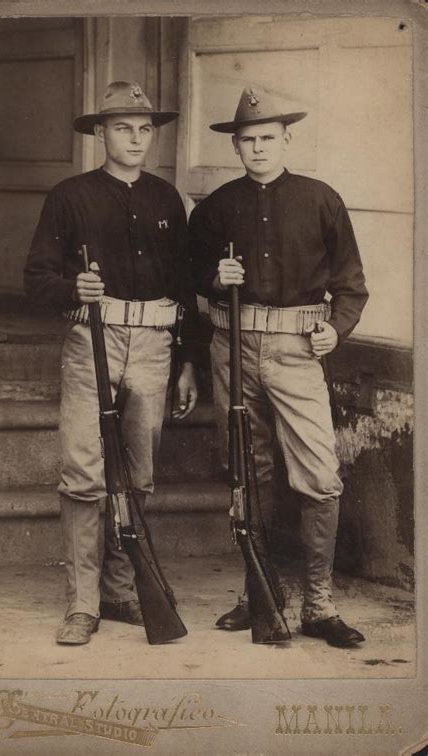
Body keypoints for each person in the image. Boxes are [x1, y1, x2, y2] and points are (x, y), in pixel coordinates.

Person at [189, 84, 368, 648]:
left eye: (268, 138)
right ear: (236, 148)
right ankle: (258, 592)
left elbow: (351, 286)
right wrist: (218, 281)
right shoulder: (216, 207)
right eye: (248, 141)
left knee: (319, 475)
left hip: (296, 353)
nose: (259, 148)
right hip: (232, 350)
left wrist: (333, 329)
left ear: (287, 140)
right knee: (248, 473)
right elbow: (189, 276)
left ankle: (319, 604)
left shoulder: (322, 200)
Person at [24, 81, 199, 645]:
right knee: (83, 472)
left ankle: (122, 587)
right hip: (90, 340)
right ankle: (82, 603)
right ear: (100, 133)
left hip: (153, 344)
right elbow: (36, 279)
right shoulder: (69, 195)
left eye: (144, 128)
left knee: (138, 472)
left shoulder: (168, 199)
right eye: (122, 127)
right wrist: (74, 285)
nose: (135, 138)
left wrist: (188, 362)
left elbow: (184, 285)